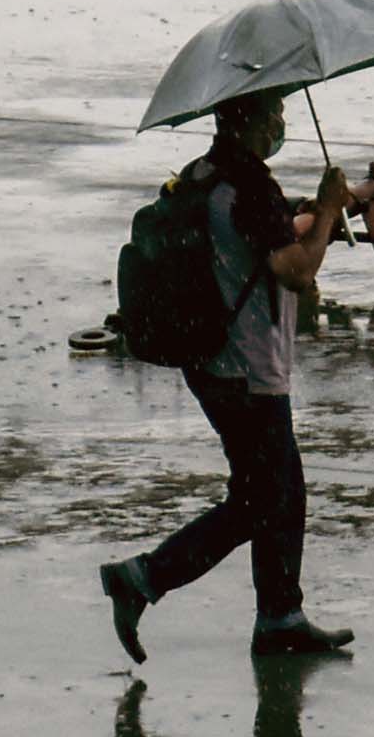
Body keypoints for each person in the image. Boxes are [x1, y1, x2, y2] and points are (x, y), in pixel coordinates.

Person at [102, 89, 357, 661]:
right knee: (262, 499)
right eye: (274, 116)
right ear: (249, 124)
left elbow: (247, 237)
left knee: (282, 488)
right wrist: (329, 212)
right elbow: (295, 270)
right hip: (249, 369)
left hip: (209, 360)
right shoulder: (250, 188)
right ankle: (144, 577)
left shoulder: (202, 174)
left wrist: (304, 211)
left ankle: (281, 618)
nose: (282, 124)